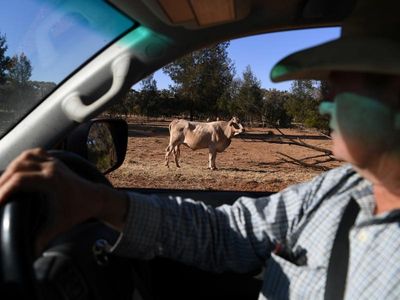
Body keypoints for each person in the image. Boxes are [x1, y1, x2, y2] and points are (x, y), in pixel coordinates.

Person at [1, 0, 400, 298]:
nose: (323, 99)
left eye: (343, 83)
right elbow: (228, 232)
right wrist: (105, 204)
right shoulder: (332, 190)